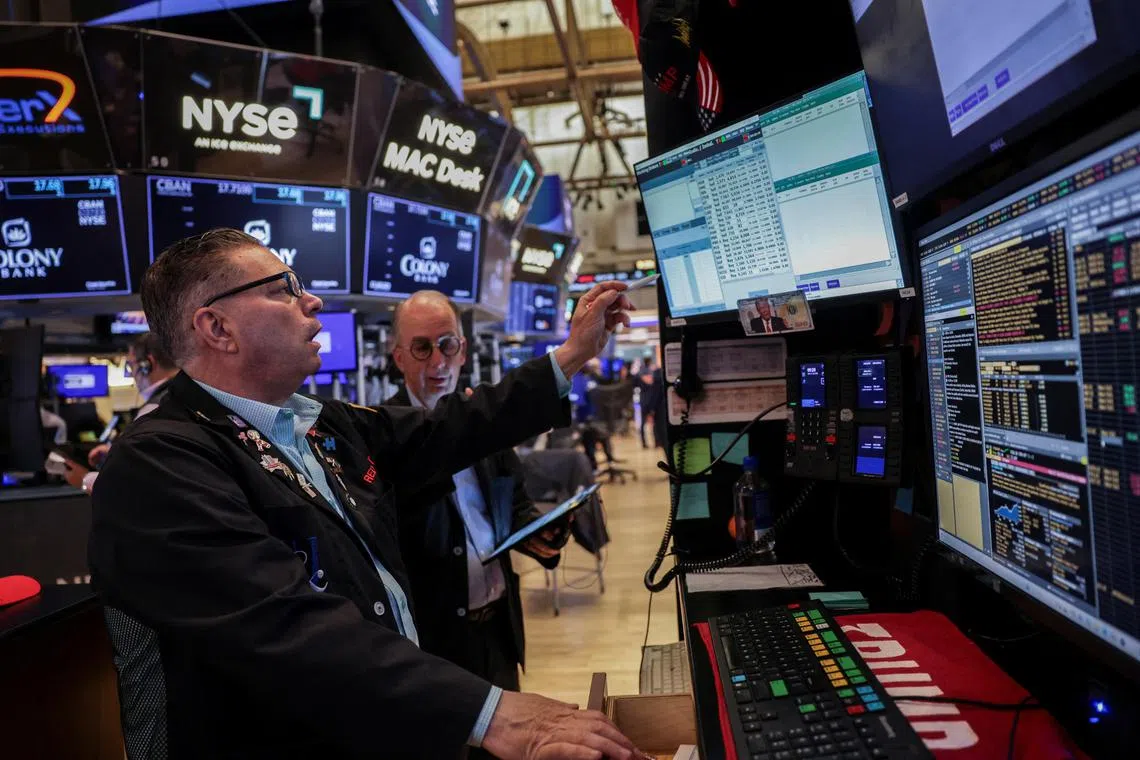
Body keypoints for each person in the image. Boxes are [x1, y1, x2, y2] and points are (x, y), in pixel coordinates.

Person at [88, 228, 642, 760]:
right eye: (283, 289)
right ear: (217, 327)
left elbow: (450, 427)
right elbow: (288, 628)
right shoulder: (161, 464)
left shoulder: (319, 423)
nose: (313, 301)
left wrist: (570, 356)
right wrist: (491, 714)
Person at [388, 292, 568, 743]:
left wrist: (540, 531)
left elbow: (514, 505)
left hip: (498, 632)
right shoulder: (382, 436)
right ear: (398, 357)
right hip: (436, 644)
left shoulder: (487, 429)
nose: (438, 361)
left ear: (463, 350)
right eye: (422, 348)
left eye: (447, 345)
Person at [86, 331, 178, 470]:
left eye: (131, 365)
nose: (131, 373)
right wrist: (115, 450)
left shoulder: (152, 411)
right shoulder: (193, 391)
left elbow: (131, 472)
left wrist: (84, 478)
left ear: (147, 364)